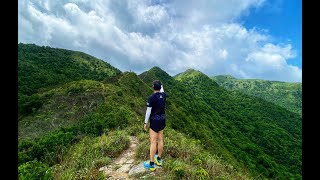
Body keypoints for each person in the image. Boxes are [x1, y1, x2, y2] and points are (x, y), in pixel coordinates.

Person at [143, 80, 166, 171]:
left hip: (155, 120)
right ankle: (159, 159)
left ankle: (152, 163)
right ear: (160, 87)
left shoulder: (151, 98)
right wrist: (160, 83)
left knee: (153, 141)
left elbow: (148, 111)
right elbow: (162, 89)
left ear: (153, 87)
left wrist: (145, 122)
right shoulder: (163, 95)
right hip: (162, 119)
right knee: (160, 139)